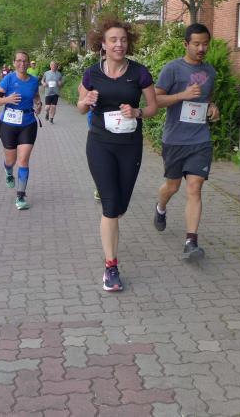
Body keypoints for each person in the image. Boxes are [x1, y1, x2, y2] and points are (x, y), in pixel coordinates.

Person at [77, 17, 158, 292]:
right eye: (113, 40)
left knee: (120, 207)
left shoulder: (139, 72)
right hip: (100, 143)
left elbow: (153, 107)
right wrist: (86, 101)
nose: (119, 44)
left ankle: (111, 213)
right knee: (111, 207)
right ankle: (111, 267)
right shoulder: (92, 74)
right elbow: (81, 107)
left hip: (130, 145)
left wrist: (137, 112)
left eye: (123, 40)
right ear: (103, 44)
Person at [152, 23, 220, 259]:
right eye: (196, 44)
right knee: (172, 187)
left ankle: (191, 242)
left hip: (200, 139)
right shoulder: (172, 69)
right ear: (186, 44)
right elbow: (155, 101)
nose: (201, 49)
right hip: (175, 139)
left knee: (195, 187)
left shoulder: (210, 71)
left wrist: (212, 107)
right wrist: (182, 95)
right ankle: (160, 207)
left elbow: (207, 98)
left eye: (205, 44)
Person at [0, 50, 43, 210]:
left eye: (25, 61)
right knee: (11, 161)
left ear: (28, 63)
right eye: (19, 60)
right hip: (8, 124)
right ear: (14, 63)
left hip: (28, 123)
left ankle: (20, 196)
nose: (22, 63)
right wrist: (7, 99)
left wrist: (38, 104)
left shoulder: (34, 80)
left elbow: (36, 96)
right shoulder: (8, 79)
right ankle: (8, 172)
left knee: (23, 161)